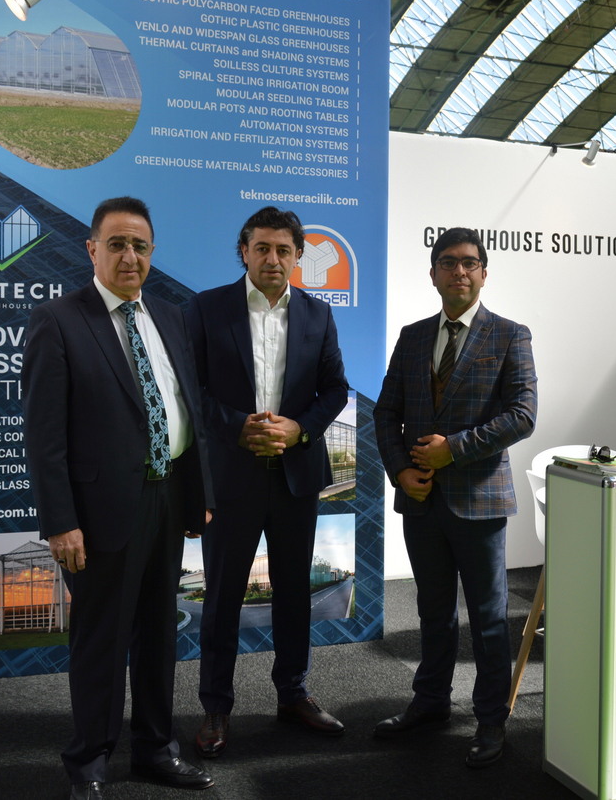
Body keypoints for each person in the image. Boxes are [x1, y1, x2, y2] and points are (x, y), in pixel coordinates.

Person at [22, 197, 215, 799]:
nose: (130, 256)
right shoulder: (58, 321)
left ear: (152, 253)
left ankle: (157, 749)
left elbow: (187, 410)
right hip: (99, 512)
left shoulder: (171, 316)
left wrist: (198, 494)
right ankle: (89, 761)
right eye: (117, 244)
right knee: (101, 641)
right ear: (92, 250)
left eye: (140, 246)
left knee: (160, 634)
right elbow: (45, 436)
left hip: (167, 498)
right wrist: (61, 521)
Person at [186, 206, 349, 758]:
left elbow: (335, 389)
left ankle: (293, 694)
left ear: (298, 256)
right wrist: (241, 428)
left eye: (284, 250)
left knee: (294, 592)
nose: (273, 259)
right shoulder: (206, 308)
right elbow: (190, 389)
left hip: (295, 476)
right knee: (222, 596)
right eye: (262, 248)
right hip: (231, 478)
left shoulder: (318, 314)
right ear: (244, 251)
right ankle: (215, 707)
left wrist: (298, 428)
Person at [373, 227, 537, 768]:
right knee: (433, 610)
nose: (459, 271)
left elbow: (522, 415)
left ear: (484, 273)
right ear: (433, 273)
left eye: (469, 262)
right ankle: (430, 703)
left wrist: (454, 450)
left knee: (488, 618)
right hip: (420, 498)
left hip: (479, 498)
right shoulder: (413, 337)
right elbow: (385, 412)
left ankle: (491, 720)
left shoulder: (510, 335)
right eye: (448, 262)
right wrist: (400, 470)